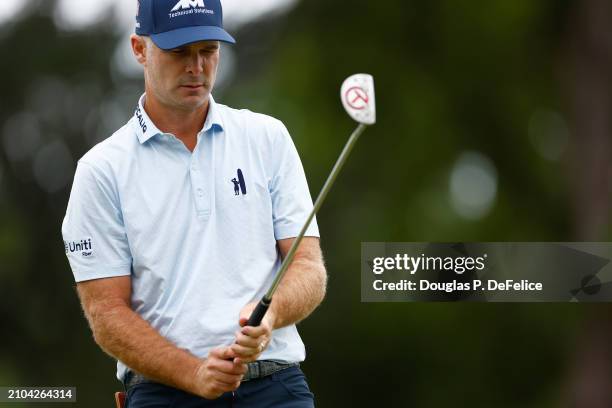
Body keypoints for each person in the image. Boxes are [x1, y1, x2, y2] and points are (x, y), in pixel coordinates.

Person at [61, 0, 327, 406]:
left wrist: (272, 313)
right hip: (164, 393)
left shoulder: (266, 138)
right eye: (179, 51)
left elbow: (308, 268)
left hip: (275, 385)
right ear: (139, 49)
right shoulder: (102, 169)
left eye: (208, 50)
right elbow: (106, 314)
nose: (196, 67)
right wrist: (194, 373)